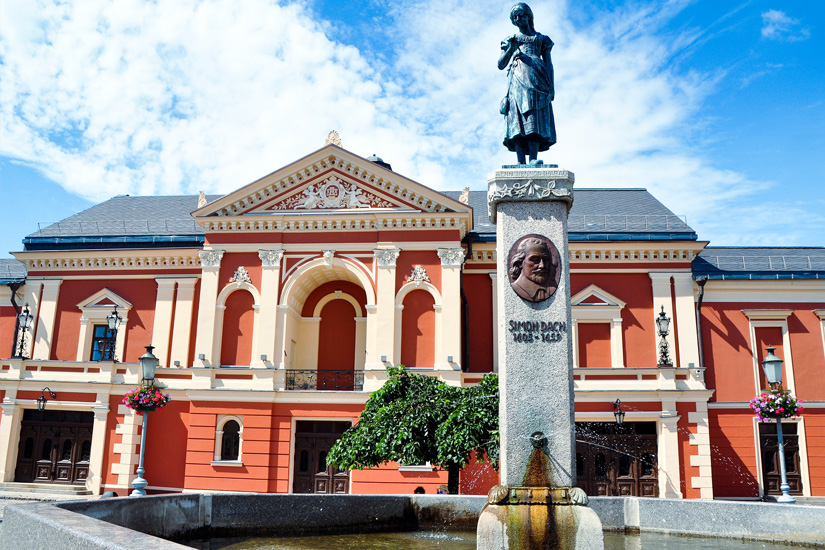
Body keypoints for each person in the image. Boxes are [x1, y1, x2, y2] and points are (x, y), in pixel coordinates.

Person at [498, 3, 556, 165]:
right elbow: (501, 64)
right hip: (517, 77)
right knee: (516, 116)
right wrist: (511, 49)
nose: (518, 19)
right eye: (515, 17)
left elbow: (549, 64)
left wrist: (552, 86)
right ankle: (519, 160)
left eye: (521, 15)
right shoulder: (512, 39)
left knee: (534, 116)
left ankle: (533, 158)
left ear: (528, 16)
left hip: (538, 77)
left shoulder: (542, 39)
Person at [509, 237, 558, 302]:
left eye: (545, 260)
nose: (542, 265)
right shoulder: (516, 288)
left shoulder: (551, 289)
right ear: (520, 262)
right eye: (535, 259)